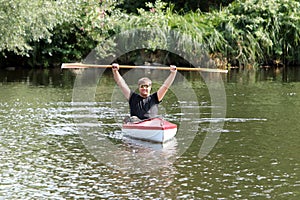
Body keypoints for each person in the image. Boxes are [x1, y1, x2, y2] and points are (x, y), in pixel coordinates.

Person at [112, 63, 177, 121]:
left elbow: (165, 86)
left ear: (150, 87)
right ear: (139, 87)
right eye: (142, 86)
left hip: (152, 124)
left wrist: (173, 73)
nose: (144, 88)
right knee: (133, 118)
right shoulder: (132, 97)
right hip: (136, 122)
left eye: (146, 86)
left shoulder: (155, 98)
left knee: (160, 118)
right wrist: (115, 71)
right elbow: (122, 85)